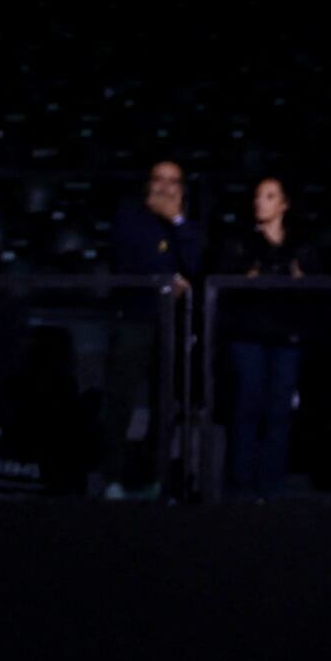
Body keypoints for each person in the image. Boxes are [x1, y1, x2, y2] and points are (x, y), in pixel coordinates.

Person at [219, 173, 317, 500]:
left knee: (279, 410)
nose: (260, 202)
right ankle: (242, 482)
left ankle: (272, 481)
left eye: (270, 196)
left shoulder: (300, 243)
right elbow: (231, 280)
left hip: (287, 335)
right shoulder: (242, 240)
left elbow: (311, 285)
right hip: (249, 335)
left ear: (285, 204)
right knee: (248, 406)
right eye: (259, 195)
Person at [111, 159, 201, 499]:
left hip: (170, 324)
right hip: (133, 318)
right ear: (149, 184)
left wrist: (176, 221)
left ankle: (157, 479)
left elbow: (194, 263)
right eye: (159, 180)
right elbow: (127, 262)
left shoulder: (184, 225)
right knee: (121, 400)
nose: (165, 187)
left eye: (172, 181)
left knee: (165, 404)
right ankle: (112, 479)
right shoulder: (130, 218)